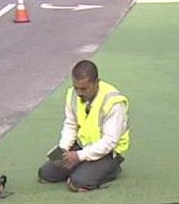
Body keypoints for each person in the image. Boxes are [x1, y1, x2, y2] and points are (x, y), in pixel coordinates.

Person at [38, 60, 130, 192]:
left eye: (84, 89)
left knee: (78, 183)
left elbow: (109, 141)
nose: (79, 93)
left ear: (96, 82)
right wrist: (63, 148)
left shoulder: (114, 102)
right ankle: (84, 166)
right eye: (76, 87)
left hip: (108, 152)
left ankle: (112, 169)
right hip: (82, 146)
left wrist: (79, 156)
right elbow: (70, 124)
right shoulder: (73, 95)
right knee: (46, 175)